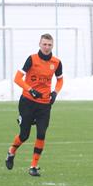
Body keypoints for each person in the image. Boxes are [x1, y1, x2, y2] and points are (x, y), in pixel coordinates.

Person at [5, 34, 64, 177]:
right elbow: (17, 78)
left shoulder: (56, 62)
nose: (46, 47)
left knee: (41, 134)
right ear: (39, 44)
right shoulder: (31, 59)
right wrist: (30, 89)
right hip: (28, 102)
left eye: (49, 45)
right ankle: (11, 152)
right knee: (24, 135)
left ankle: (34, 166)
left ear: (52, 46)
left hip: (44, 104)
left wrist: (55, 93)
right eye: (44, 44)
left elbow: (60, 80)